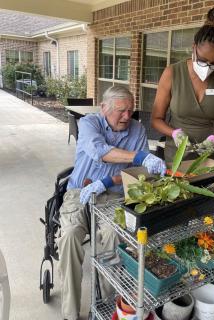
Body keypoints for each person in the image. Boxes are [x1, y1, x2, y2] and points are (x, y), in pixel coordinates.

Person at [57, 86, 166, 320]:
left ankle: (103, 307)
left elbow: (139, 172)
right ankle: (70, 313)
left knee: (112, 237)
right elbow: (99, 151)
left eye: (131, 110)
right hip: (79, 192)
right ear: (104, 108)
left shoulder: (137, 130)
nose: (127, 116)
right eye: (121, 111)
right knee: (69, 236)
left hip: (114, 195)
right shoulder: (89, 123)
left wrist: (107, 181)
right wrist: (139, 156)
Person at [151, 7, 214, 162]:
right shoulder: (172, 73)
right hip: (176, 157)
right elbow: (156, 119)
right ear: (193, 47)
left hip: (209, 157)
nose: (207, 67)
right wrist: (174, 133)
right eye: (203, 60)